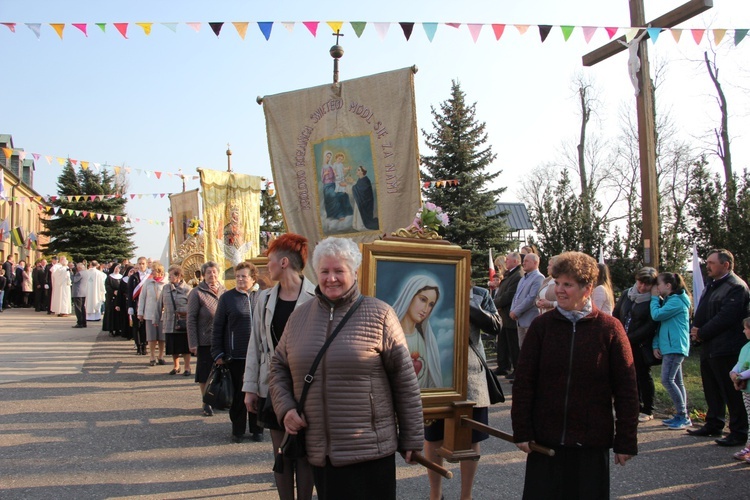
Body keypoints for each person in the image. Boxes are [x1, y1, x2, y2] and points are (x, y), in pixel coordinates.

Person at [269, 237, 424, 500]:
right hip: (322, 453)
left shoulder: (381, 315)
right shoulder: (299, 318)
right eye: (325, 271)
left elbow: (404, 381)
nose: (331, 278)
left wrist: (412, 438)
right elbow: (278, 368)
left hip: (371, 451)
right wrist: (285, 409)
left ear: (354, 272)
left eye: (339, 271)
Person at [512, 251, 639, 498]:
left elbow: (627, 389)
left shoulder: (609, 329)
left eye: (567, 284)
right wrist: (522, 429)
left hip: (590, 445)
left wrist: (626, 439)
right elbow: (524, 381)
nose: (559, 290)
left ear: (587, 288)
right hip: (545, 442)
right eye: (557, 282)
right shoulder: (542, 327)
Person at [243, 233, 316, 500]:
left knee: (305, 454)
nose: (266, 267)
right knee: (282, 451)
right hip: (273, 386)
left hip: (307, 387)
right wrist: (250, 388)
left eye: (269, 261)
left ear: (284, 262)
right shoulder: (263, 298)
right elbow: (256, 344)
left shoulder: (316, 297)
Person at [425, 284, 501, 500]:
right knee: (433, 436)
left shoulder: (479, 294)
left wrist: (465, 302)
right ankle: (435, 493)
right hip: (435, 374)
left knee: (472, 435)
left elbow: (496, 326)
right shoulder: (429, 289)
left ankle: (466, 495)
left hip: (470, 376)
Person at [688, 249, 750, 447]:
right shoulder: (712, 285)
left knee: (731, 391)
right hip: (709, 346)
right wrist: (697, 332)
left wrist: (702, 332)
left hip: (726, 346)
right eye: (707, 262)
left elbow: (726, 317)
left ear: (726, 265)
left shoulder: (736, 286)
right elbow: (703, 310)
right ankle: (714, 422)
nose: (708, 266)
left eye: (712, 263)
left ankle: (739, 431)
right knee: (712, 388)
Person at [212, 261, 263, 443]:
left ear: (253, 278)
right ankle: (238, 429)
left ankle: (257, 428)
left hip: (258, 355)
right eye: (238, 276)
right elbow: (218, 326)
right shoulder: (227, 298)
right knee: (238, 396)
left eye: (244, 276)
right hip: (236, 355)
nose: (240, 279)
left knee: (257, 392)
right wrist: (217, 353)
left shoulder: (261, 296)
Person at [613, 267, 659, 422]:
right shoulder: (627, 294)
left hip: (640, 344)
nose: (642, 287)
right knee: (627, 375)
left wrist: (630, 337)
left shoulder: (654, 299)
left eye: (647, 284)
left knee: (643, 375)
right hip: (623, 339)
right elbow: (617, 313)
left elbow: (651, 324)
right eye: (640, 282)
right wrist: (618, 333)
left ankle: (648, 408)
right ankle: (634, 405)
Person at [651, 272, 692, 430]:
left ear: (668, 286)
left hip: (675, 346)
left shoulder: (676, 301)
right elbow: (662, 326)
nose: (657, 288)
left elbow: (657, 315)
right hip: (671, 345)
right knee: (677, 381)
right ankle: (682, 414)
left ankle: (683, 415)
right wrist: (656, 344)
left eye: (659, 285)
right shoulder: (670, 301)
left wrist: (654, 299)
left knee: (667, 380)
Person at [187, 261, 226, 417]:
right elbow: (191, 319)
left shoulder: (224, 291)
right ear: (204, 275)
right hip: (205, 339)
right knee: (205, 373)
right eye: (209, 272)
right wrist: (193, 342)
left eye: (215, 272)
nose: (212, 275)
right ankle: (206, 401)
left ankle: (219, 399)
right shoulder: (197, 293)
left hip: (222, 339)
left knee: (222, 371)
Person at [392, 275, 443, 388]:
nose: (425, 309)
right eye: (423, 299)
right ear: (410, 296)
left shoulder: (425, 340)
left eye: (431, 304)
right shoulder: (389, 334)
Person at [157, 265, 192, 376]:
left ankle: (187, 367)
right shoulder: (166, 288)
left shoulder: (188, 289)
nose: (169, 277)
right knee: (173, 347)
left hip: (183, 322)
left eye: (171, 275)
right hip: (169, 322)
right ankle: (176, 366)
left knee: (185, 347)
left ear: (178, 276)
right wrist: (156, 318)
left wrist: (183, 310)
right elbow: (160, 304)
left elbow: (192, 306)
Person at [494, 251, 523, 377]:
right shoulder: (510, 274)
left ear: (515, 261)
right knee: (503, 343)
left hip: (510, 314)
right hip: (504, 315)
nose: (506, 262)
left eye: (508, 260)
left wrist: (495, 303)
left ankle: (517, 369)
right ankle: (503, 366)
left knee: (513, 345)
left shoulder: (518, 275)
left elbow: (509, 295)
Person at [510, 253, 544, 350]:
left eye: (526, 261)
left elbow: (531, 298)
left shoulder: (538, 277)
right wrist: (512, 310)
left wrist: (516, 311)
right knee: (522, 348)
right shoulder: (523, 279)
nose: (523, 263)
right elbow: (516, 296)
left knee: (531, 348)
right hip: (519, 319)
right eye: (523, 261)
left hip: (530, 320)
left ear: (535, 262)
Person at [137, 261, 167, 367]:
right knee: (152, 337)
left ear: (159, 271)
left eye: (153, 270)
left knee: (162, 337)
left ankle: (161, 355)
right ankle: (152, 356)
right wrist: (140, 312)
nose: (152, 272)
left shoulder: (166, 283)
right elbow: (142, 298)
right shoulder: (147, 283)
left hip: (163, 314)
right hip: (150, 313)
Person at [729, 317, 750, 463]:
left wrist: (740, 376)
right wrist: (733, 373)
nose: (744, 331)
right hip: (746, 390)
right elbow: (739, 363)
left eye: (746, 328)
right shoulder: (745, 347)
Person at [129, 257, 151, 355]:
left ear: (146, 264)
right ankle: (138, 346)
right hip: (136, 304)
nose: (141, 265)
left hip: (147, 304)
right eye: (139, 264)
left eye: (143, 263)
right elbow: (129, 293)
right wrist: (129, 306)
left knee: (145, 326)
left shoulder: (150, 276)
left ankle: (144, 345)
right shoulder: (133, 277)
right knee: (136, 326)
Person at [351, 165, 379, 230]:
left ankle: (362, 224)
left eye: (358, 170)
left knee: (361, 226)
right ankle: (357, 224)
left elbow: (362, 191)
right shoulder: (360, 180)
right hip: (360, 201)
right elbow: (358, 187)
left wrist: (353, 184)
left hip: (365, 203)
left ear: (362, 172)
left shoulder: (366, 180)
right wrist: (353, 183)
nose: (357, 171)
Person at [103, 264, 123, 336]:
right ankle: (111, 329)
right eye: (116, 268)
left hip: (119, 297)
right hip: (111, 298)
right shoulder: (109, 277)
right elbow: (107, 286)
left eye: (118, 268)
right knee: (111, 313)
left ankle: (118, 329)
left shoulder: (122, 277)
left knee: (118, 314)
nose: (117, 269)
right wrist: (113, 291)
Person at [71, 262, 87, 328]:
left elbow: (74, 280)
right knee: (82, 308)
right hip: (83, 292)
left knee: (78, 308)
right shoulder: (86, 273)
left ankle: (80, 322)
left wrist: (71, 274)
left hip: (78, 293)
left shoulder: (80, 273)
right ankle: (83, 322)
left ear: (79, 268)